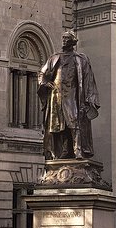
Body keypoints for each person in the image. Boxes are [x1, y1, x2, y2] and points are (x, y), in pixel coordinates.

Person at [38, 30, 100, 161]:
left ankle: (78, 151)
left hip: (72, 96)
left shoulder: (80, 59)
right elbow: (42, 73)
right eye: (63, 38)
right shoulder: (54, 58)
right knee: (58, 126)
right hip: (56, 96)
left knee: (74, 122)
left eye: (67, 39)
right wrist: (45, 83)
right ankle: (65, 150)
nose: (64, 41)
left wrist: (89, 100)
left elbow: (88, 80)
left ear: (73, 42)